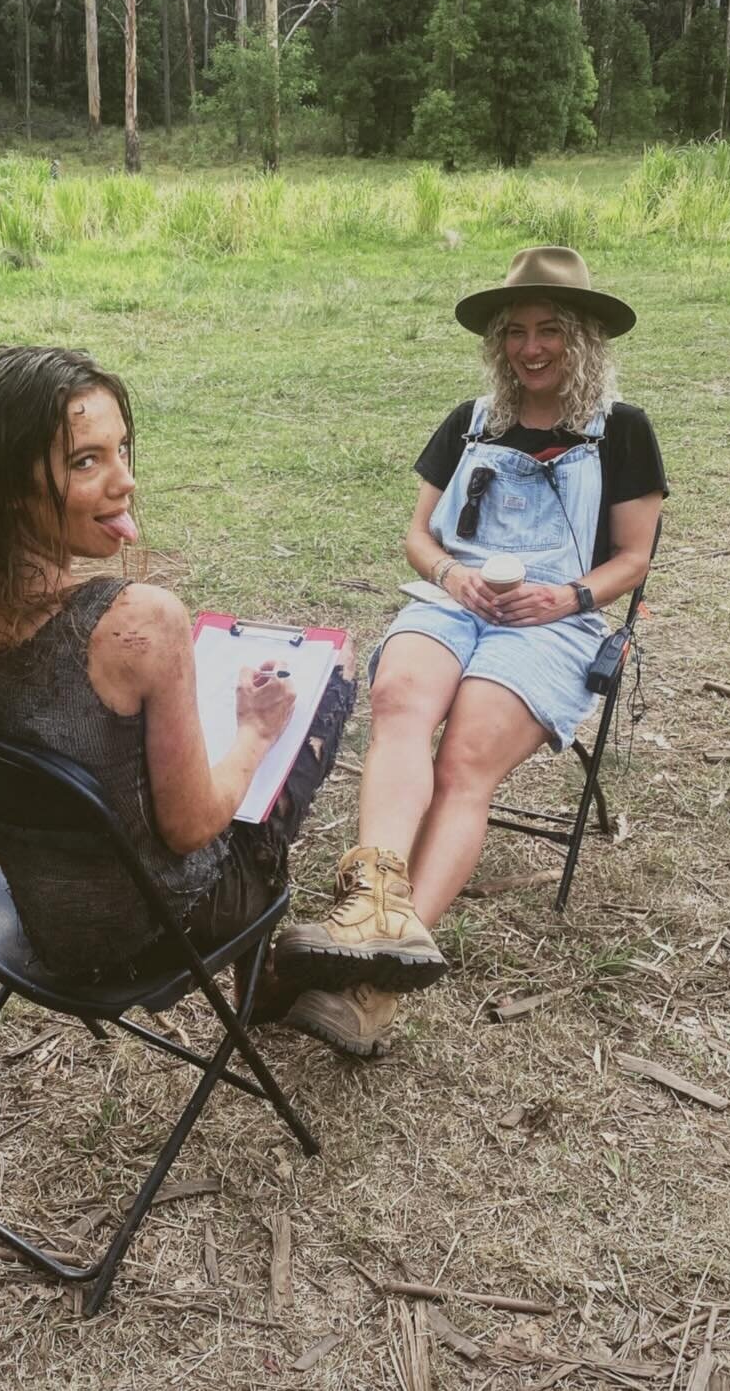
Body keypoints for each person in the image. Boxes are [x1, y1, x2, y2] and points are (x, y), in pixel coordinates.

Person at [275, 247, 667, 1056]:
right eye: (515, 331)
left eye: (549, 330)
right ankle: (373, 902)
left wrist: (567, 597)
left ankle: (374, 988)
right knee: (399, 702)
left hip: (555, 621)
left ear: (582, 337)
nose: (531, 348)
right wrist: (452, 575)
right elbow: (418, 537)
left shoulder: (622, 430)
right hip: (454, 601)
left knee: (465, 761)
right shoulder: (472, 420)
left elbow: (634, 558)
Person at [0, 345, 356, 984]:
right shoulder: (140, 621)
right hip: (168, 929)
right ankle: (264, 977)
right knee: (332, 667)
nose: (125, 481)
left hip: (44, 920)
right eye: (86, 461)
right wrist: (254, 731)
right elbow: (190, 829)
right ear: (6, 489)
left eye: (122, 449)